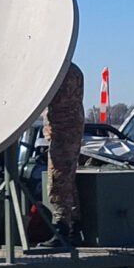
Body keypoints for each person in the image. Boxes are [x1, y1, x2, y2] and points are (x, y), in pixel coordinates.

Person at [38, 62, 85, 248]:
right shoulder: (73, 70)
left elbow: (51, 98)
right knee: (68, 182)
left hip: (63, 132)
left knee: (58, 181)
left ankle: (62, 231)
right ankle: (74, 230)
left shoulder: (62, 72)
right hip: (66, 130)